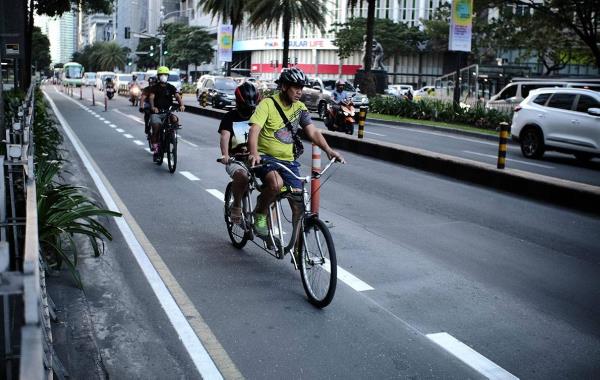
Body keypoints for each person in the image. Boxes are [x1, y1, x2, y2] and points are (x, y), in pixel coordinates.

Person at [247, 67, 345, 237]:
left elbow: (313, 132)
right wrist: (254, 153)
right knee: (276, 184)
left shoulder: (300, 108)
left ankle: (300, 250)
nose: (299, 92)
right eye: (295, 87)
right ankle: (260, 213)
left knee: (299, 202)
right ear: (284, 86)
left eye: (301, 88)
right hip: (266, 158)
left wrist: (329, 150)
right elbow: (254, 130)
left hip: (288, 161)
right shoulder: (267, 104)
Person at [218, 82, 260, 223]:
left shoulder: (259, 117)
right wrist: (225, 155)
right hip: (235, 160)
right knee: (242, 177)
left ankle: (262, 216)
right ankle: (236, 205)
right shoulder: (230, 117)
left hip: (256, 158)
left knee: (274, 183)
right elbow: (225, 137)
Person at [148, 66, 185, 157]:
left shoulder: (171, 87)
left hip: (167, 112)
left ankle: (172, 137)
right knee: (156, 127)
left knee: (175, 120)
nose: (163, 76)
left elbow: (177, 96)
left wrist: (182, 105)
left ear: (167, 76)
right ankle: (156, 149)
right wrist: (153, 107)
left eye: (165, 75)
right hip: (156, 113)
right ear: (158, 76)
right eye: (161, 75)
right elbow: (151, 97)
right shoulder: (154, 87)